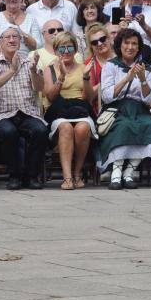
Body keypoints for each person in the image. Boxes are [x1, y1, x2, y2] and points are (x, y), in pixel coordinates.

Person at [0, 25, 48, 190]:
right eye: (7, 37)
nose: (12, 40)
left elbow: (40, 88)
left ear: (20, 41)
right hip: (0, 114)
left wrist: (34, 71)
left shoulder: (28, 60)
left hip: (26, 112)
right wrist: (11, 71)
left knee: (40, 130)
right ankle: (14, 175)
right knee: (9, 132)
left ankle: (32, 176)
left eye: (15, 37)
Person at [99, 28, 151, 189]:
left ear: (139, 48)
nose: (130, 47)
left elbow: (149, 99)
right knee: (123, 126)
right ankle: (116, 172)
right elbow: (107, 96)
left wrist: (143, 80)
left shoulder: (146, 69)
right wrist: (127, 78)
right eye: (127, 43)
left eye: (134, 44)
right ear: (120, 45)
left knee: (149, 126)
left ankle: (129, 172)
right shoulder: (111, 66)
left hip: (139, 109)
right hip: (116, 108)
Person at [42, 32, 97, 190]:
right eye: (61, 48)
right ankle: (67, 178)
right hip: (59, 110)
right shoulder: (50, 69)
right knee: (65, 128)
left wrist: (86, 77)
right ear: (55, 50)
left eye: (69, 47)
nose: (66, 51)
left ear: (75, 49)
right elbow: (51, 97)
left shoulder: (83, 68)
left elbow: (89, 98)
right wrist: (61, 78)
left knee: (83, 128)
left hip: (80, 108)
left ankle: (77, 174)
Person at [83, 23, 116, 107]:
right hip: (101, 110)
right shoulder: (89, 64)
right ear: (91, 47)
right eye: (94, 42)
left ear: (109, 39)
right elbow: (89, 98)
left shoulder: (122, 58)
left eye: (102, 39)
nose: (99, 43)